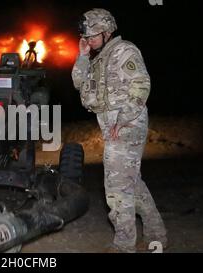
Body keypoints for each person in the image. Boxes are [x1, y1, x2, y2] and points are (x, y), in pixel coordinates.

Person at [72, 8, 167, 252]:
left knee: (116, 188)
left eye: (93, 36)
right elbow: (78, 82)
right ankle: (157, 233)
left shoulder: (125, 51)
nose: (89, 40)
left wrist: (123, 119)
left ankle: (124, 245)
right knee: (131, 183)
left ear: (107, 31)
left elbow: (141, 84)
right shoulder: (99, 57)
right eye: (87, 37)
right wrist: (83, 55)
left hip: (127, 125)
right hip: (112, 125)